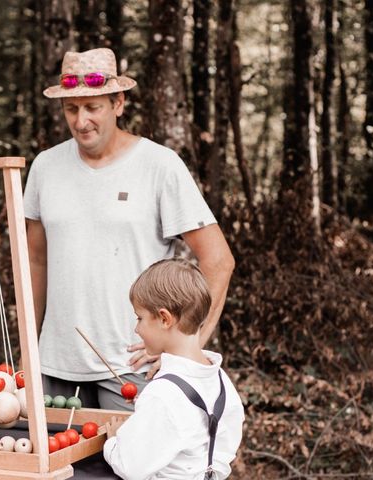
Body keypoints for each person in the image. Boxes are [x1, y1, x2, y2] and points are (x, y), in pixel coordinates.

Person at [24, 47, 235, 410]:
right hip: (54, 366)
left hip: (132, 367)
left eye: (93, 107)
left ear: (118, 102)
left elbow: (218, 260)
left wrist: (188, 347)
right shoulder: (45, 167)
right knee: (56, 468)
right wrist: (28, 342)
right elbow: (35, 260)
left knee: (130, 467)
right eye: (71, 109)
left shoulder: (159, 165)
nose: (81, 121)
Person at [103, 259, 244, 479]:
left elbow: (130, 466)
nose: (136, 329)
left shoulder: (162, 395)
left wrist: (112, 442)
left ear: (164, 318)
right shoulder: (221, 381)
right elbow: (218, 442)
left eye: (140, 318)